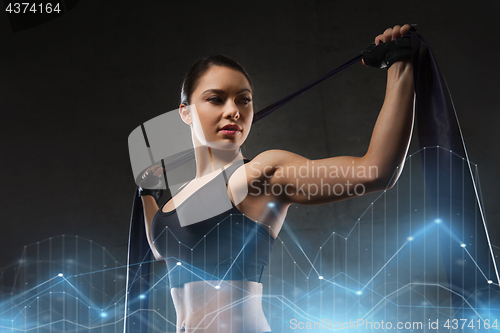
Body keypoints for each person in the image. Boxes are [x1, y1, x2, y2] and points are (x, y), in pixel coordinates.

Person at [139, 24, 415, 333]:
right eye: (216, 99)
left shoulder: (255, 177)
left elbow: (376, 171)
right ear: (185, 112)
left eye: (243, 100)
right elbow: (161, 248)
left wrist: (400, 64)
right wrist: (147, 193)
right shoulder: (176, 201)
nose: (233, 110)